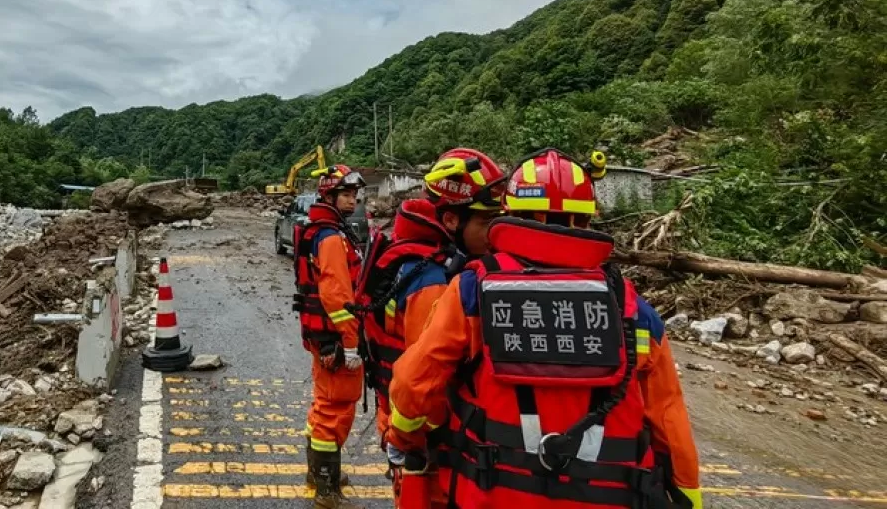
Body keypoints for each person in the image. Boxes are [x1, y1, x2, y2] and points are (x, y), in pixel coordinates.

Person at [385, 148, 703, 509]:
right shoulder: (630, 308)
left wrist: (404, 438)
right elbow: (669, 421)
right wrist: (687, 493)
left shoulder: (473, 290)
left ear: (511, 215)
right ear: (585, 221)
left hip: (490, 494)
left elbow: (414, 384)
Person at [356, 148, 505, 506]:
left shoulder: (422, 260)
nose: (496, 234)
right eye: (487, 223)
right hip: (427, 443)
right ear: (452, 220)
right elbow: (424, 385)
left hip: (406, 425)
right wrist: (408, 439)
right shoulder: (433, 281)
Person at [292, 164, 369, 508]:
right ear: (330, 196)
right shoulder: (332, 238)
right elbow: (338, 297)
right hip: (335, 340)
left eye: (354, 194)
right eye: (346, 194)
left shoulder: (318, 230)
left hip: (320, 335)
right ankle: (326, 488)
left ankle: (319, 471)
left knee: (324, 403)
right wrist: (350, 344)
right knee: (335, 409)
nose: (353, 200)